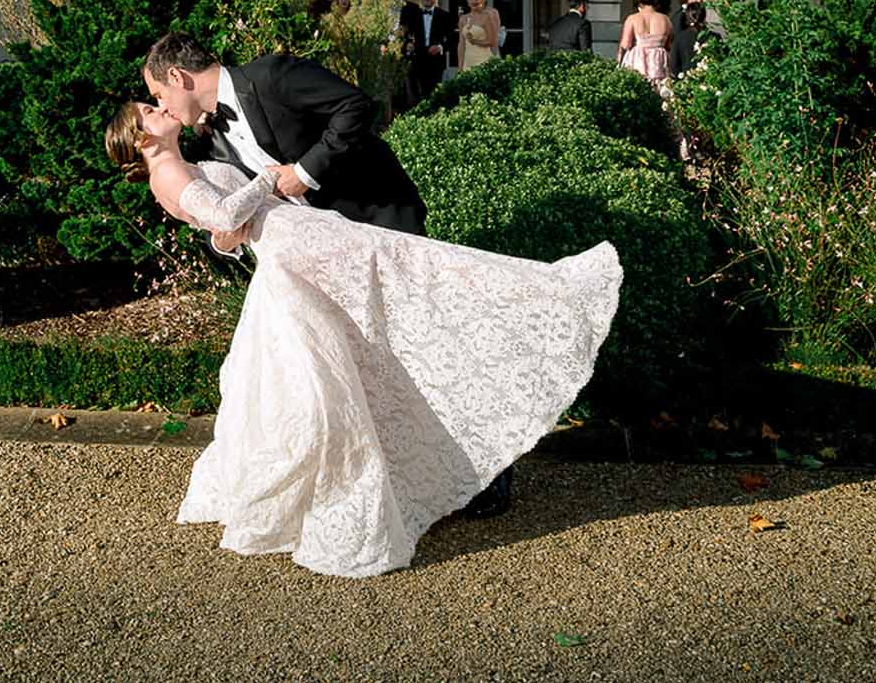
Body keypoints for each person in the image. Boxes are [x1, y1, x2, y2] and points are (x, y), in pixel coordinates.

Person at [105, 99, 622, 578]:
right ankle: (539, 293)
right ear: (142, 138)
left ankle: (529, 300)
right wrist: (266, 180)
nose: (159, 108)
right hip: (296, 250)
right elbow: (223, 216)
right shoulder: (168, 171)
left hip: (301, 243)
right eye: (149, 112)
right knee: (413, 281)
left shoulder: (180, 166)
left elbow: (226, 229)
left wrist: (230, 224)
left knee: (403, 294)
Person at [143, 30, 426, 236]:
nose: (162, 107)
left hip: (381, 216)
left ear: (177, 77)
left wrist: (304, 172)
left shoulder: (271, 75)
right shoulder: (212, 137)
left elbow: (356, 106)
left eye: (159, 95)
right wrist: (225, 243)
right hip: (327, 248)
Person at [400, 0, 457, 100]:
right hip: (416, 59)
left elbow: (453, 38)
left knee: (433, 95)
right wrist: (407, 45)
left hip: (435, 60)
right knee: (414, 95)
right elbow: (403, 35)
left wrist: (440, 47)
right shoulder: (412, 14)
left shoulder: (445, 16)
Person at [616, 0, 672, 92]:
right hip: (658, 62)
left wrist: (618, 61)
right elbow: (668, 45)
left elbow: (625, 44)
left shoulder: (632, 18)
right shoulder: (665, 19)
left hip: (638, 60)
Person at [457, 0, 501, 71]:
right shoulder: (463, 19)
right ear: (467, 0)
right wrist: (460, 66)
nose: (474, 1)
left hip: (483, 60)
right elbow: (461, 45)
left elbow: (493, 41)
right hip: (468, 62)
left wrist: (474, 41)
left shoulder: (487, 16)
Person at [669, 0, 709, 79]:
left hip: (687, 80)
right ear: (704, 16)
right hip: (711, 79)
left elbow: (674, 65)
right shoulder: (714, 37)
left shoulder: (679, 38)